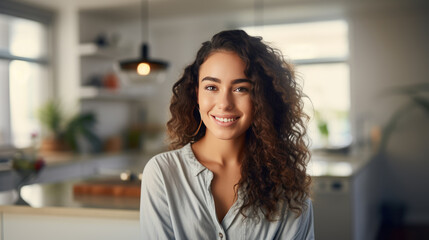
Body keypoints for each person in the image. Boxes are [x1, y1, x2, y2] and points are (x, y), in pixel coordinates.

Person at [140, 29, 314, 239]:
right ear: (196, 93)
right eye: (212, 87)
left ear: (262, 99)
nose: (224, 104)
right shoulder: (162, 173)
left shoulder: (288, 186)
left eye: (241, 89)